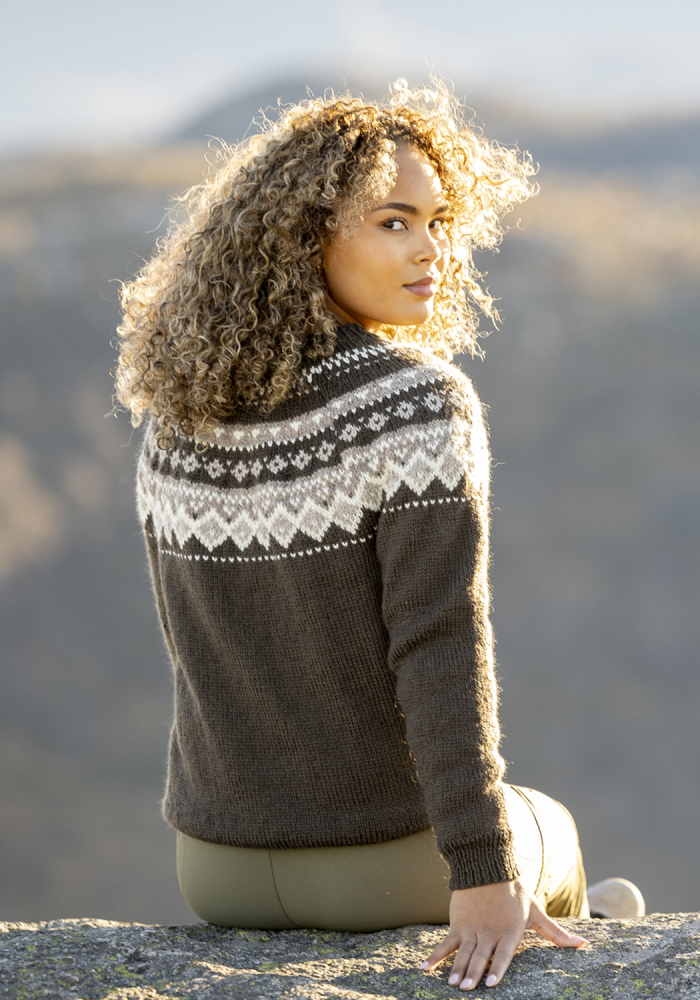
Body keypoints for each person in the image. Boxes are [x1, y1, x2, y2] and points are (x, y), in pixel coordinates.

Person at [115, 80, 644, 991]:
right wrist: (480, 870)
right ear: (304, 236)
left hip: (216, 869)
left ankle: (580, 915)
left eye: (439, 221)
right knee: (550, 824)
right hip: (383, 868)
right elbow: (438, 646)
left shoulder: (179, 414)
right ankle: (572, 926)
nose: (432, 248)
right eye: (394, 222)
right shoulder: (415, 402)